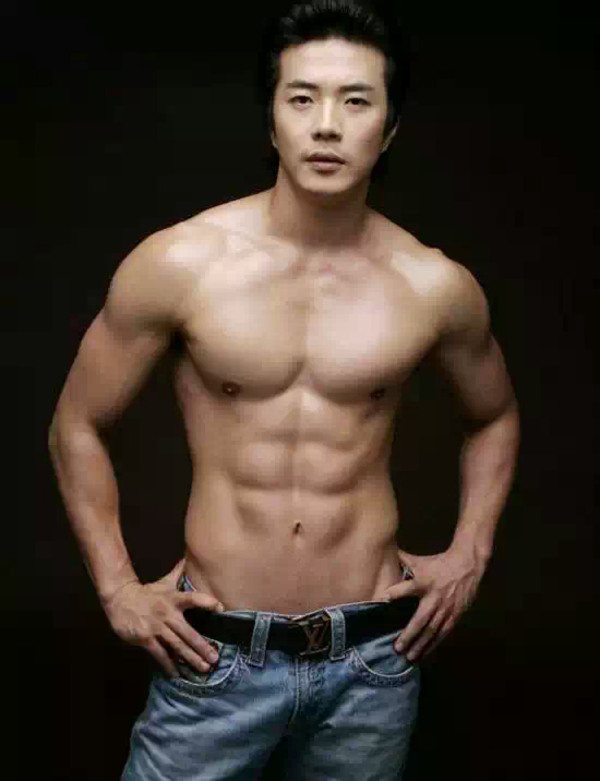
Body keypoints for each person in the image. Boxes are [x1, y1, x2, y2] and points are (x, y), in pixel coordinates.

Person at [48, 1, 520, 779]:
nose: (326, 125)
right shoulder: (182, 265)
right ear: (272, 121)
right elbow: (76, 424)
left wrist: (471, 551)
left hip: (373, 658)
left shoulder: (433, 286)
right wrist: (118, 589)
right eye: (303, 98)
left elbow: (495, 414)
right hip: (215, 653)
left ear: (389, 130)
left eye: (356, 101)